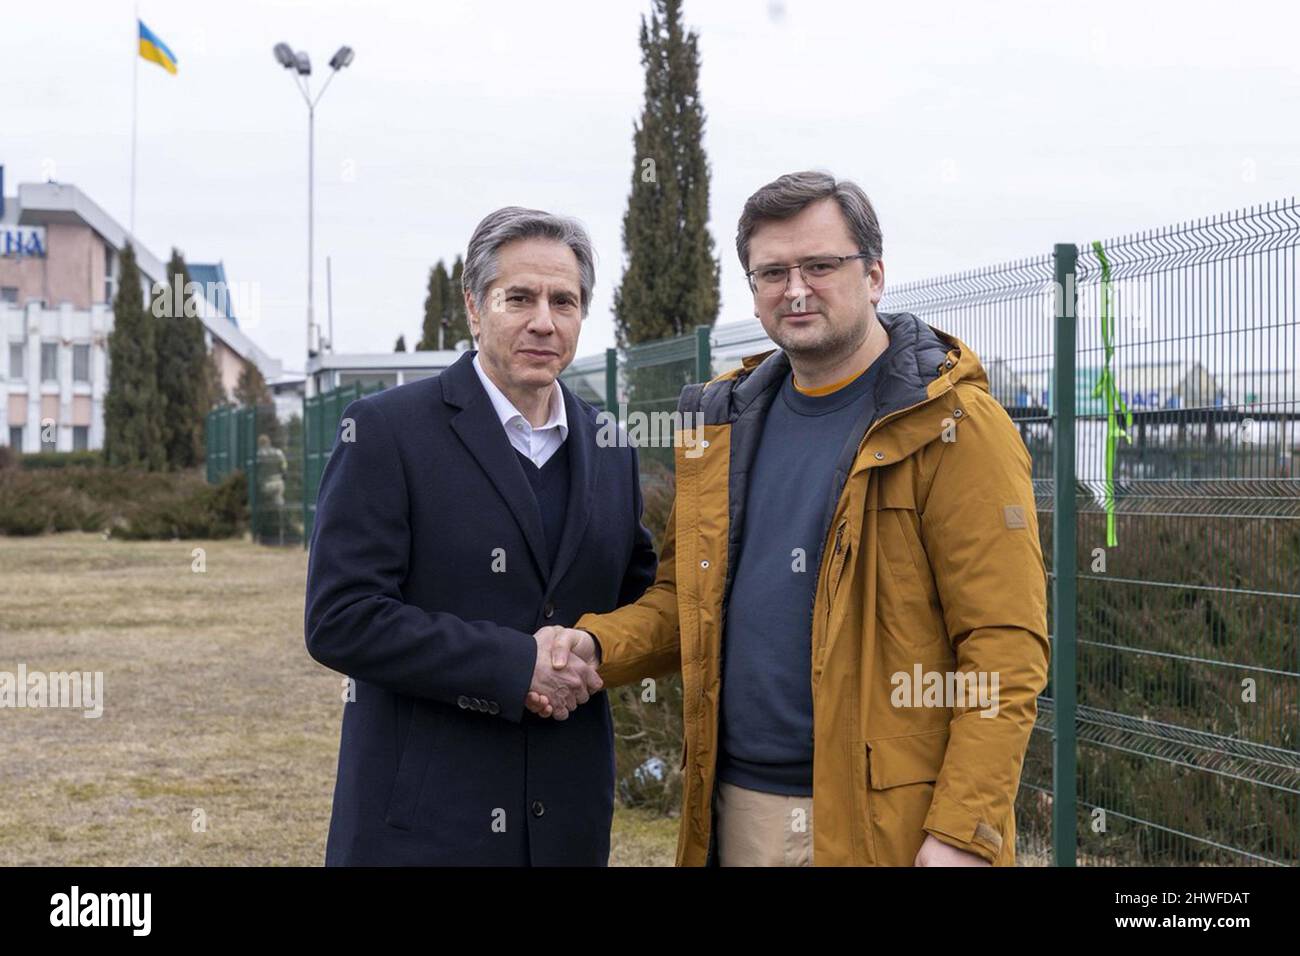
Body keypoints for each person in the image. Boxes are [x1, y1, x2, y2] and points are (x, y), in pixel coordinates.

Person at [539, 170, 1050, 866]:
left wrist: (964, 830)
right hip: (735, 809)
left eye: (820, 265)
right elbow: (686, 603)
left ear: (873, 275)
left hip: (885, 824)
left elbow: (1004, 647)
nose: (796, 288)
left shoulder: (954, 425)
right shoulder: (722, 423)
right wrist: (596, 648)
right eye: (772, 271)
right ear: (753, 292)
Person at [305, 206, 657, 865]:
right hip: (424, 825)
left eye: (565, 301)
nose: (544, 321)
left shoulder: (610, 445)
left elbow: (639, 598)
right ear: (473, 306)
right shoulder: (387, 433)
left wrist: (596, 644)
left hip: (568, 823)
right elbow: (340, 619)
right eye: (518, 298)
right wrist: (514, 664)